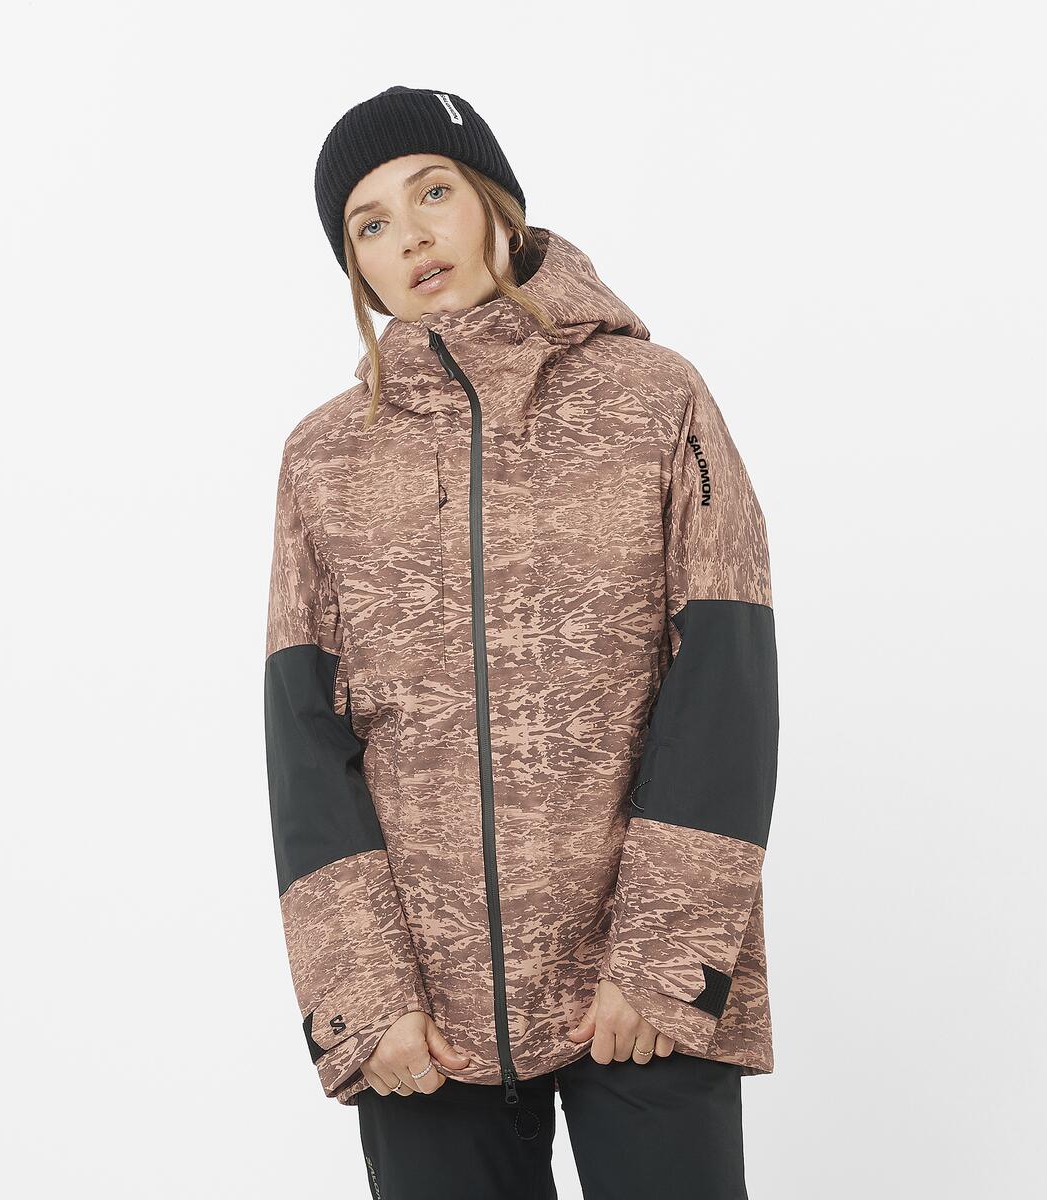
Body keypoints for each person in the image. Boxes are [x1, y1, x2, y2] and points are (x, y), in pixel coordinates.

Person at [264, 85, 779, 1199]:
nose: (410, 236)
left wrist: (664, 960)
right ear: (357, 267)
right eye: (369, 223)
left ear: (497, 202)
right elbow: (306, 740)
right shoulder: (324, 459)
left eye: (433, 193)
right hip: (424, 1017)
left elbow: (725, 683)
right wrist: (362, 997)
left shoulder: (655, 400)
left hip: (635, 991)